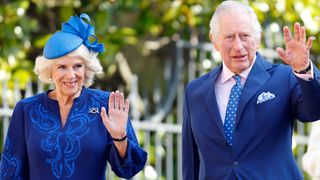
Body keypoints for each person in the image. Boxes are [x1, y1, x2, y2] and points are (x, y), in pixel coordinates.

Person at [182, 1, 320, 179]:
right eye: (229, 37)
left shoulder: (284, 78)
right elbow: (191, 162)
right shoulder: (195, 92)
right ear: (214, 41)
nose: (238, 46)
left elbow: (315, 110)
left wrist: (303, 68)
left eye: (245, 35)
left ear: (258, 38)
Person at [0, 13, 147, 179]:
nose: (71, 75)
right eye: (62, 67)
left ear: (87, 68)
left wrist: (120, 138)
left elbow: (130, 169)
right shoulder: (26, 109)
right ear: (50, 71)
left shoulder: (105, 105)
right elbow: (10, 172)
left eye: (77, 66)